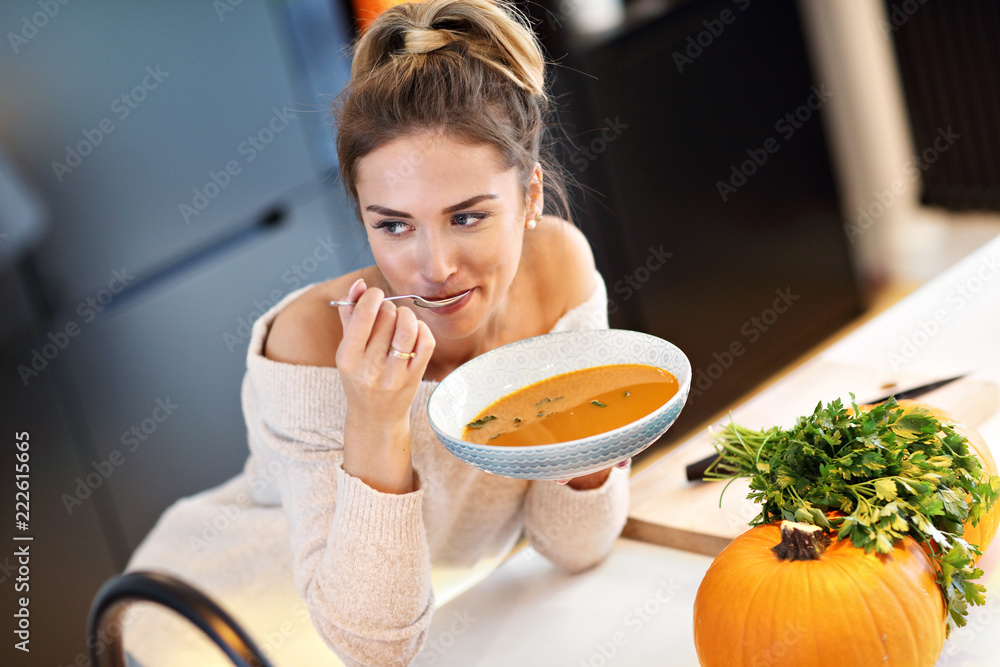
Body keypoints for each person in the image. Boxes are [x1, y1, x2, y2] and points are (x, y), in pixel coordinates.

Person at [125, 1, 630, 665]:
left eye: (467, 217)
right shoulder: (308, 345)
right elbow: (371, 645)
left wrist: (589, 427)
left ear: (531, 196)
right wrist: (376, 419)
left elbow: (574, 545)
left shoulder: (557, 274)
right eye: (394, 224)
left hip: (452, 625)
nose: (434, 266)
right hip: (216, 631)